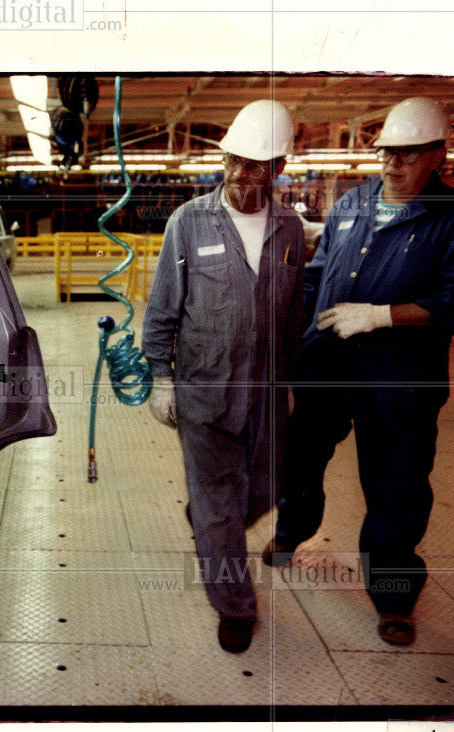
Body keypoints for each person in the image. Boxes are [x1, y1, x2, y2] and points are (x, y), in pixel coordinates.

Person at [264, 97, 454, 647]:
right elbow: (319, 272)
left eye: (406, 155)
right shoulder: (353, 200)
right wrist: (291, 336)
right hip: (326, 360)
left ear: (436, 156)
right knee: (300, 452)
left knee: (397, 479)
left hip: (400, 374)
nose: (392, 165)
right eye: (386, 154)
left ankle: (394, 595)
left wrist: (381, 316)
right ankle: (291, 530)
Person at [143, 100, 306, 653]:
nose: (239, 174)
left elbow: (291, 313)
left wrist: (298, 384)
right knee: (219, 507)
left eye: (254, 164)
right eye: (233, 160)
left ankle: (211, 519)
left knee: (264, 490)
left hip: (264, 392)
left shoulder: (289, 229)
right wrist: (158, 377)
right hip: (204, 389)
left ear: (278, 167)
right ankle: (234, 605)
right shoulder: (188, 223)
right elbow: (163, 305)